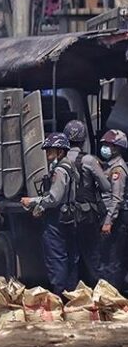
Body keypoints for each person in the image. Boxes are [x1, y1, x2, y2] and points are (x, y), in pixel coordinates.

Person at [20, 132, 79, 296]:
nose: (47, 155)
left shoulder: (60, 170)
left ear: (60, 151)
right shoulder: (70, 167)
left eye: (50, 151)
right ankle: (71, 295)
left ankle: (60, 296)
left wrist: (31, 201)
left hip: (57, 219)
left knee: (56, 258)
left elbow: (54, 198)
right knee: (69, 257)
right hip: (68, 216)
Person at [63, 119, 110, 285]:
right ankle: (100, 294)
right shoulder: (89, 160)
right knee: (93, 256)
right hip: (87, 216)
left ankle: (72, 295)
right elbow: (106, 186)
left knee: (70, 257)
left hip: (66, 216)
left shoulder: (60, 161)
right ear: (83, 140)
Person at [97, 129, 128, 291]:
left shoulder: (118, 170)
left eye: (108, 145)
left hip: (116, 219)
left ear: (117, 148)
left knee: (113, 261)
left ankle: (112, 298)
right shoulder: (110, 166)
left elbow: (117, 198)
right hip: (111, 216)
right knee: (106, 259)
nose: (105, 148)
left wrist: (109, 222)